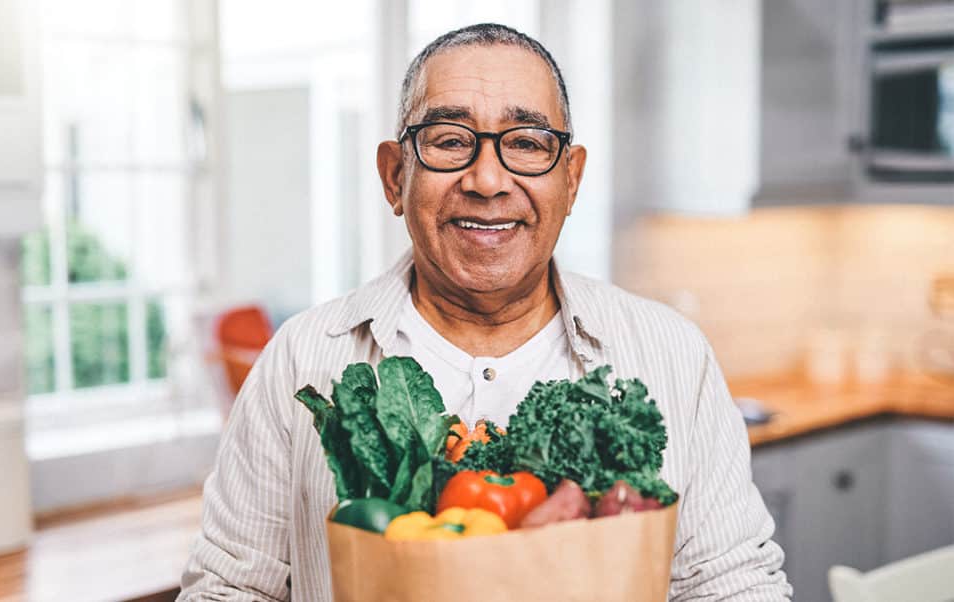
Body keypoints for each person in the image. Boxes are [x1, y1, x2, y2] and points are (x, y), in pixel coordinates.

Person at [179, 23, 792, 601]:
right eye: (450, 141)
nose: (488, 179)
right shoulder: (300, 359)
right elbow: (230, 589)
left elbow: (732, 582)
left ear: (571, 180)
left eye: (527, 143)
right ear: (395, 176)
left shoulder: (673, 354)